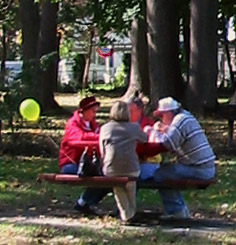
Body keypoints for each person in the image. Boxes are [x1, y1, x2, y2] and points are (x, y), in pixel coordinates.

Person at [145, 97, 215, 218]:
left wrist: (153, 132)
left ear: (169, 113)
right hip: (205, 167)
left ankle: (177, 211)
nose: (160, 119)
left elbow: (168, 144)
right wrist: (164, 130)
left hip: (199, 169)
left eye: (161, 116)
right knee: (166, 171)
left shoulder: (179, 121)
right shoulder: (185, 117)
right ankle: (179, 210)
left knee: (160, 174)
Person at [99, 101, 148, 221]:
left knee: (118, 187)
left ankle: (128, 215)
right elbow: (145, 139)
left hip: (111, 167)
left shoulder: (105, 128)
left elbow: (102, 150)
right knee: (131, 185)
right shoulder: (134, 127)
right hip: (131, 168)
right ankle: (130, 214)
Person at [59, 96, 108, 215]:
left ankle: (84, 203)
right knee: (100, 178)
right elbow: (79, 139)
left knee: (108, 178)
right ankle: (83, 203)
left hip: (88, 164)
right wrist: (100, 138)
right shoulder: (73, 124)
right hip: (71, 164)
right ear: (84, 111)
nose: (94, 114)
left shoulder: (92, 125)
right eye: (93, 111)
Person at [127, 97, 162, 180]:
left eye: (131, 111)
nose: (128, 114)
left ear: (140, 110)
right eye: (127, 111)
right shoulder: (123, 125)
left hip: (147, 163)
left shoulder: (149, 126)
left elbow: (154, 149)